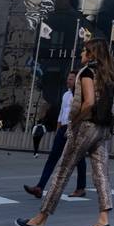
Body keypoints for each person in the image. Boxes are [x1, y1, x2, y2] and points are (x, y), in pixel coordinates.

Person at [17, 38, 114, 226]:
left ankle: (40, 219)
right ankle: (103, 220)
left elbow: (88, 102)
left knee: (62, 171)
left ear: (91, 54)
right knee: (101, 173)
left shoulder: (88, 72)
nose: (81, 54)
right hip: (103, 129)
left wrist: (75, 120)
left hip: (86, 127)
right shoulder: (108, 75)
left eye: (84, 51)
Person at [23, 71, 86, 202]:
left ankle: (81, 187)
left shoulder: (82, 95)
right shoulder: (65, 95)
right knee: (53, 158)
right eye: (67, 78)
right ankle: (40, 187)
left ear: (77, 81)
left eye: (70, 79)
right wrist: (58, 130)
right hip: (63, 128)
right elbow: (62, 113)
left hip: (75, 128)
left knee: (79, 158)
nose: (67, 81)